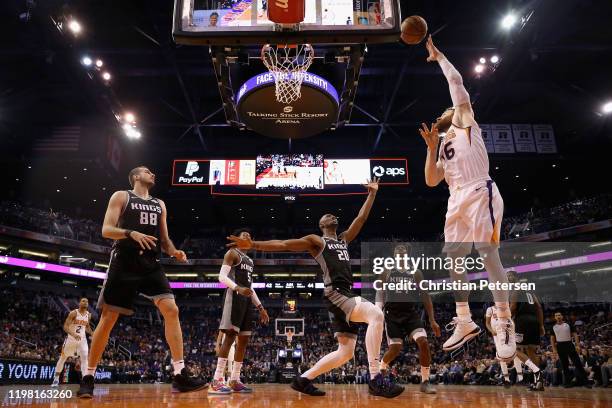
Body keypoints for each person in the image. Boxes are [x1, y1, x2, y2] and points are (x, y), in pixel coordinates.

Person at [227, 178, 404, 398]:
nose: (331, 215)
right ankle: (376, 378)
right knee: (376, 315)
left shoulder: (343, 240)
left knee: (346, 352)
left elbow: (361, 218)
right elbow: (284, 244)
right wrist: (253, 245)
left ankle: (303, 379)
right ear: (321, 225)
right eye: (326, 215)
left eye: (333, 215)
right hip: (336, 292)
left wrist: (372, 194)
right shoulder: (317, 241)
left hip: (343, 293)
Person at [418, 35, 515, 361]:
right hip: (455, 199)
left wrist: (440, 56)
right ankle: (464, 319)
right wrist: (431, 150)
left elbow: (457, 82)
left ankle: (503, 320)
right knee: (453, 260)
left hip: (478, 190)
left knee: (488, 255)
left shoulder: (464, 121)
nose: (446, 110)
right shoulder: (444, 144)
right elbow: (431, 181)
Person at [76, 166, 208, 398]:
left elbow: (164, 240)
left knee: (171, 309)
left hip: (151, 262)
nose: (153, 174)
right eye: (147, 171)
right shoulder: (122, 196)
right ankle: (88, 376)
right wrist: (131, 233)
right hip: (124, 260)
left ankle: (180, 374)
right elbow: (107, 230)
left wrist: (175, 252)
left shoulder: (160, 203)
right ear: (136, 176)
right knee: (108, 319)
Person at [375, 244, 441, 394]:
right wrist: (377, 312)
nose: (400, 256)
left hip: (410, 313)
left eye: (403, 254)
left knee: (423, 342)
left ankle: (425, 381)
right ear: (394, 256)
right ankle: (382, 367)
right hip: (392, 314)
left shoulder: (415, 273)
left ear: (407, 256)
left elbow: (425, 296)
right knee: (395, 348)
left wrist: (432, 320)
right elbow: (380, 293)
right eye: (397, 254)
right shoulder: (386, 272)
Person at [210, 230, 270, 394]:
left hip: (246, 300)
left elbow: (250, 288)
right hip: (234, 297)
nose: (248, 237)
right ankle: (217, 380)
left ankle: (235, 380)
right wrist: (237, 288)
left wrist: (261, 308)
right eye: (244, 235)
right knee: (230, 337)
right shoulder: (232, 253)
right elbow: (221, 277)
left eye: (250, 236)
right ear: (237, 240)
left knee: (243, 341)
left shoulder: (250, 261)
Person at [508, 270, 544, 391]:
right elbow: (538, 307)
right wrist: (541, 325)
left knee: (514, 350)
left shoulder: (515, 289)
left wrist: (506, 320)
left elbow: (512, 307)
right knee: (531, 350)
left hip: (522, 321)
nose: (508, 278)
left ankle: (536, 370)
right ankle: (538, 381)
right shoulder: (529, 290)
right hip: (534, 320)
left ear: (515, 277)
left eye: (509, 275)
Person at [52, 298, 92, 387]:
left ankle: (85, 381)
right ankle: (56, 379)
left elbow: (87, 327)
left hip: (82, 340)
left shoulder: (88, 315)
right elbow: (65, 327)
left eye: (87, 301)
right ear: (79, 303)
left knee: (85, 358)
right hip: (71, 339)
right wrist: (74, 334)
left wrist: (93, 333)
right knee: (63, 358)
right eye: (83, 301)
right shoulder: (73, 313)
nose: (85, 302)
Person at [551, 311, 590, 388]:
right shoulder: (553, 327)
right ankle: (567, 383)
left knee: (577, 363)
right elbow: (552, 339)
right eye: (556, 315)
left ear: (562, 316)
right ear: (555, 318)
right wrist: (554, 349)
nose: (558, 316)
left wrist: (578, 345)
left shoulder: (568, 325)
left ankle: (586, 382)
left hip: (569, 344)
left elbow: (575, 335)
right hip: (560, 345)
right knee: (564, 365)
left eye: (559, 315)